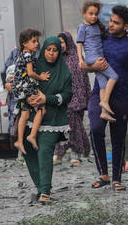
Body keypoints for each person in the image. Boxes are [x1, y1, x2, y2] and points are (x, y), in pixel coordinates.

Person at [81, 5, 128, 192]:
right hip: (99, 93)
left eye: (116, 23)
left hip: (122, 97)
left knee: (118, 138)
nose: (110, 24)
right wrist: (90, 67)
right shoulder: (101, 38)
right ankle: (103, 173)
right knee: (95, 129)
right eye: (110, 20)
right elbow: (85, 60)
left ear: (125, 26)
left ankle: (117, 179)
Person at [23, 36, 72, 203]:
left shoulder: (64, 72)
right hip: (31, 116)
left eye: (55, 50)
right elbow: (22, 80)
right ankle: (40, 186)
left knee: (44, 151)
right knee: (27, 150)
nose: (51, 53)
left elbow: (67, 95)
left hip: (54, 119)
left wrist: (47, 99)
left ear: (59, 52)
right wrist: (29, 97)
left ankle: (45, 191)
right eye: (48, 50)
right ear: (43, 50)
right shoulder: (34, 66)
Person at [53, 31, 91, 166]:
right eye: (59, 42)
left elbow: (83, 79)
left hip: (77, 99)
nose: (60, 45)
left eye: (62, 42)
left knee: (75, 127)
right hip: (61, 99)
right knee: (60, 127)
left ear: (68, 42)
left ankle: (76, 153)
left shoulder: (77, 57)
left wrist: (86, 97)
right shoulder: (56, 58)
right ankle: (59, 153)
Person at [77, 1, 118, 122]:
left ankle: (104, 112)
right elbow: (79, 44)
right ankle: (104, 102)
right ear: (84, 14)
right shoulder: (83, 27)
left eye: (96, 14)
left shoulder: (97, 26)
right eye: (90, 14)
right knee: (114, 76)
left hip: (98, 55)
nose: (94, 16)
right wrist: (81, 59)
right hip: (93, 57)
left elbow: (108, 35)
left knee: (103, 83)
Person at [12, 29, 50, 155]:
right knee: (41, 109)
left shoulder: (21, 54)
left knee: (25, 114)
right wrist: (41, 77)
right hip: (26, 88)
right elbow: (30, 73)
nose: (37, 44)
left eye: (37, 41)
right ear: (25, 43)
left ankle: (19, 141)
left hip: (19, 89)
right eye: (33, 41)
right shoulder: (28, 56)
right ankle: (32, 135)